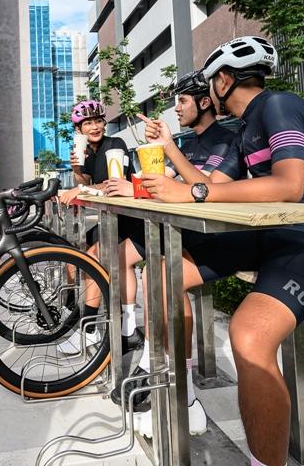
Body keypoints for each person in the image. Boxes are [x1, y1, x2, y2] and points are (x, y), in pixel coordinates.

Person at [140, 36, 304, 466]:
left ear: (225, 80)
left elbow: (288, 185)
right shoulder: (246, 125)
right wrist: (172, 156)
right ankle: (184, 393)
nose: (208, 93)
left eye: (210, 84)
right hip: (275, 233)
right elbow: (218, 189)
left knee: (247, 337)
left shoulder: (278, 105)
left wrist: (187, 192)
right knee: (166, 273)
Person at [127, 71, 236, 437]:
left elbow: (208, 190)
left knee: (160, 275)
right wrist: (134, 184)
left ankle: (175, 387)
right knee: (154, 272)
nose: (176, 108)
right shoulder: (188, 142)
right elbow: (162, 184)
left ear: (206, 102)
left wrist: (169, 149)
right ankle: (173, 384)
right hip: (191, 238)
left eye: (183, 101)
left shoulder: (228, 140)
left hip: (227, 239)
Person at [56, 100, 145, 358]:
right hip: (109, 219)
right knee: (72, 259)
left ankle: (90, 330)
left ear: (104, 123)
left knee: (93, 260)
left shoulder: (115, 145)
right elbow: (85, 181)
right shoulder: (87, 151)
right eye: (87, 123)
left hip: (129, 218)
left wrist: (80, 189)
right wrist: (76, 168)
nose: (94, 126)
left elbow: (112, 184)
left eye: (97, 121)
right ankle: (75, 315)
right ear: (79, 129)